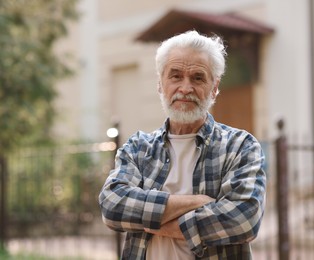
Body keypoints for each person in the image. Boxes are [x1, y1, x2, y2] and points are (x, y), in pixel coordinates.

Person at [99, 30, 267, 260]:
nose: (185, 88)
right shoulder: (138, 148)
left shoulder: (240, 146)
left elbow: (244, 219)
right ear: (160, 84)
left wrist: (149, 221)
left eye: (198, 77)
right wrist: (196, 203)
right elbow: (112, 206)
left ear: (215, 86)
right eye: (175, 76)